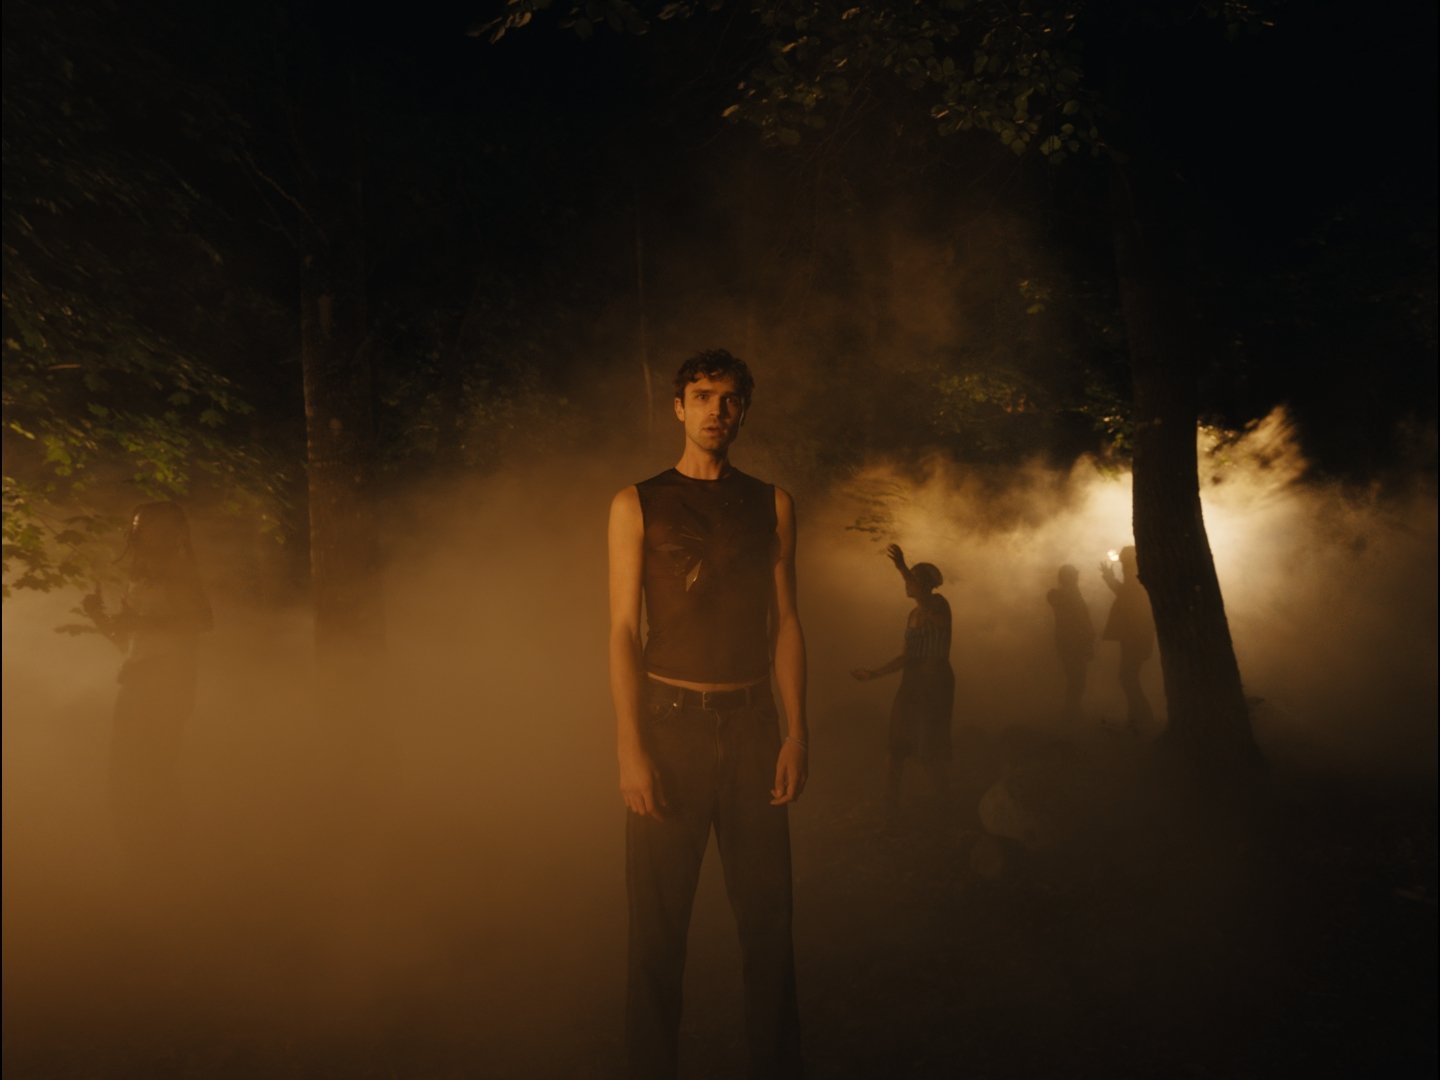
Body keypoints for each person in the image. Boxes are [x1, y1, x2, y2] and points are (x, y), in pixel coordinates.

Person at [608, 349, 807, 1079]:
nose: (715, 411)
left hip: (753, 726)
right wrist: (631, 747)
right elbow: (622, 630)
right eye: (701, 396)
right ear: (678, 408)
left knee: (769, 926)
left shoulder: (772, 503)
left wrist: (797, 731)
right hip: (670, 726)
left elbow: (787, 622)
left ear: (743, 410)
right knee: (658, 933)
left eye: (729, 399)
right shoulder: (636, 502)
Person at [82, 501, 212, 866]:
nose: (143, 534)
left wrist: (141, 624)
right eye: (140, 528)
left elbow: (202, 620)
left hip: (169, 679)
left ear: (173, 532)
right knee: (125, 767)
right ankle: (141, 851)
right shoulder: (138, 578)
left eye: (153, 528)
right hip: (137, 679)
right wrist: (97, 617)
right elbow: (127, 641)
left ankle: (166, 851)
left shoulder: (182, 572)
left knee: (154, 766)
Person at [852, 543, 953, 824]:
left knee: (928, 746)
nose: (907, 583)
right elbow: (906, 656)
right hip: (913, 682)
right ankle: (890, 804)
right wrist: (874, 674)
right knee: (896, 744)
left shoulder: (939, 605)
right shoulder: (913, 615)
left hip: (934, 682)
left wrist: (901, 566)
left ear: (925, 584)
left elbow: (927, 604)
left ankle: (944, 802)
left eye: (913, 579)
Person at [1099, 545, 1155, 734]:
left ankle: (1143, 718)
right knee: (1128, 677)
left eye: (1124, 560)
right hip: (1133, 635)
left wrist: (1109, 577)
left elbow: (1127, 596)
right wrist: (1109, 577)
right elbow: (1124, 593)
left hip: (1134, 636)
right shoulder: (1137, 578)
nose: (1122, 564)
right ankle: (1137, 718)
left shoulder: (1136, 578)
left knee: (1127, 677)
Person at [1046, 564, 1095, 723]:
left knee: (1077, 679)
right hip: (1071, 642)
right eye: (1073, 576)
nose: (1076, 578)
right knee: (1076, 679)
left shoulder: (1069, 594)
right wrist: (1088, 639)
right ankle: (1071, 712)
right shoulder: (1062, 595)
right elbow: (1080, 619)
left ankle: (1072, 711)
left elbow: (1083, 619)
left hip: (1072, 642)